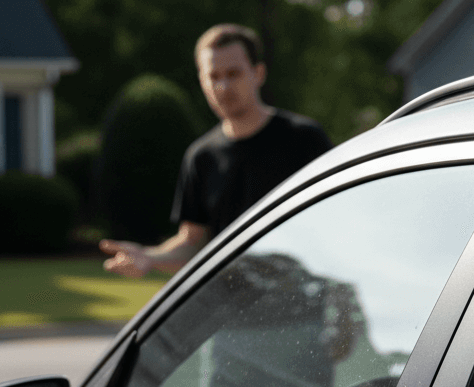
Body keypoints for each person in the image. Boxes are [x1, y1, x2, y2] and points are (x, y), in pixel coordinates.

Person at [100, 24, 332, 278]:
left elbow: (337, 221)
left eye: (233, 73)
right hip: (229, 309)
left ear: (258, 73)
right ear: (202, 81)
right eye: (214, 76)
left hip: (300, 300)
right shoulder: (201, 157)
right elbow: (191, 242)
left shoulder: (304, 139)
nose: (223, 86)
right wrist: (149, 257)